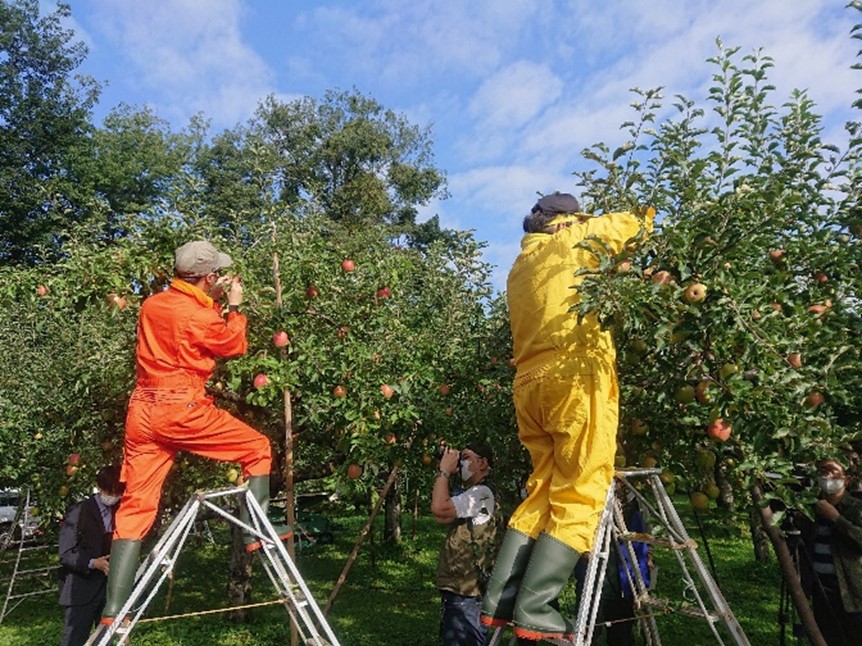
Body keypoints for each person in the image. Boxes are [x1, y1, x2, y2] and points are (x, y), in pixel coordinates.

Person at [480, 192, 654, 642]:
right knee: (583, 487)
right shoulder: (577, 238)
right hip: (574, 376)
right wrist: (608, 217)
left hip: (529, 384)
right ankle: (536, 607)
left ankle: (501, 599)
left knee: (543, 488)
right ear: (566, 221)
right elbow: (638, 222)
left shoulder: (520, 266)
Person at [97, 240, 291, 630]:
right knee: (256, 448)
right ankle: (258, 529)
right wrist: (233, 306)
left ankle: (114, 609)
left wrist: (209, 297)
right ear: (207, 276)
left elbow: (179, 323)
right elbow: (232, 344)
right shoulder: (199, 315)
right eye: (215, 274)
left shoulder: (152, 304)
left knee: (136, 507)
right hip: (179, 405)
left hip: (142, 411)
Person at [432, 442, 498, 646]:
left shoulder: (481, 494)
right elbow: (443, 517)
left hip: (468, 593)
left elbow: (439, 508)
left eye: (466, 457)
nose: (461, 463)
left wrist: (444, 472)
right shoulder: (473, 493)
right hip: (462, 590)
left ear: (483, 463)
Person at [58, 465, 124, 646]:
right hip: (81, 590)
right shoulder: (79, 512)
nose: (113, 496)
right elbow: (65, 554)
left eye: (117, 492)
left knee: (105, 640)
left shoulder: (121, 510)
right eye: (110, 491)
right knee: (75, 639)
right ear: (100, 487)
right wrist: (92, 563)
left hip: (108, 590)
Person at [803, 458, 862, 645]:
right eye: (822, 471)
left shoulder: (856, 508)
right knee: (827, 637)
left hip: (851, 590)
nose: (827, 476)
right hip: (820, 587)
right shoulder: (810, 507)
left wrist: (836, 518)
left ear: (846, 479)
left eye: (833, 471)